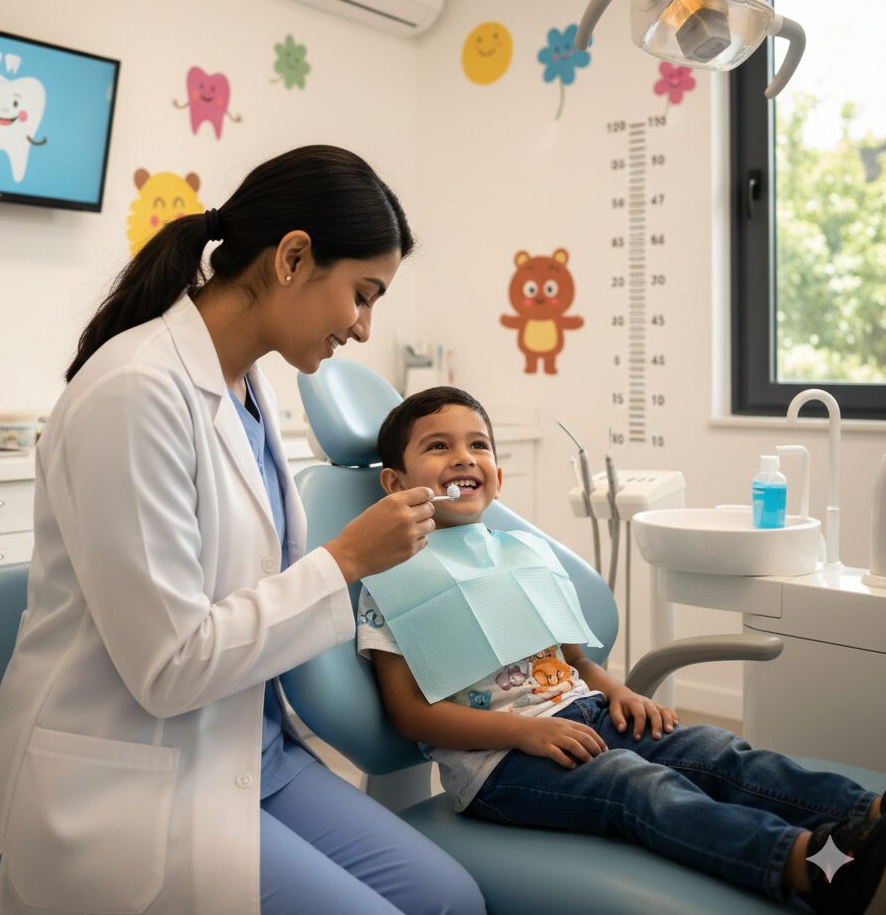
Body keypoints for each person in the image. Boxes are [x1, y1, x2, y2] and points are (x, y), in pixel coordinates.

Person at [0, 146, 486, 915]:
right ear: (294, 257)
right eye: (362, 294)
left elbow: (256, 590)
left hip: (247, 751)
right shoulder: (135, 392)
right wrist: (343, 563)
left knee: (452, 900)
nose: (365, 328)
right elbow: (169, 667)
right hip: (129, 778)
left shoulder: (249, 386)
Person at [358, 386, 886, 915]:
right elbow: (409, 713)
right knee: (637, 784)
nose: (464, 457)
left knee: (714, 749)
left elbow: (577, 662)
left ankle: (868, 815)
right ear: (395, 483)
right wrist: (526, 730)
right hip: (499, 766)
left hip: (585, 715)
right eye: (438, 447)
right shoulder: (392, 579)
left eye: (479, 444)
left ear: (497, 476)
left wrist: (619, 692)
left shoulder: (521, 554)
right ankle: (809, 866)